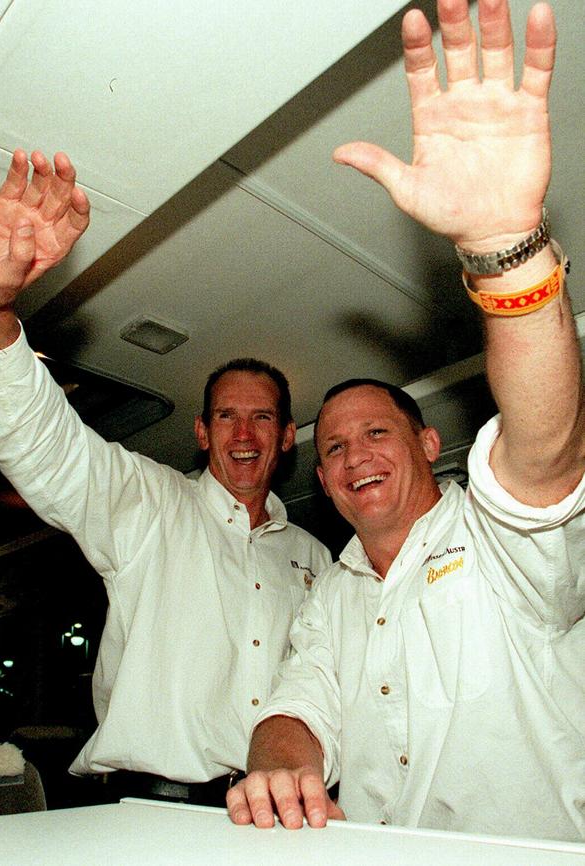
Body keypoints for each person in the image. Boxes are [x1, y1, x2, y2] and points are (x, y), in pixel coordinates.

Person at [226, 0, 585, 843]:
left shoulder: (500, 538)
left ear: (429, 444)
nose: (354, 455)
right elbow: (295, 706)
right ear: (321, 481)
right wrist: (278, 761)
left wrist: (505, 246)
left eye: (377, 432)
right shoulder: (333, 597)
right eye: (336, 447)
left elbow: (546, 447)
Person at [0, 155, 331, 805]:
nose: (244, 435)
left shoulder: (316, 559)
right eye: (226, 418)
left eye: (263, 418)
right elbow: (53, 451)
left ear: (289, 435)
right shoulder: (150, 500)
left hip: (279, 815)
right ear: (203, 433)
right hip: (153, 805)